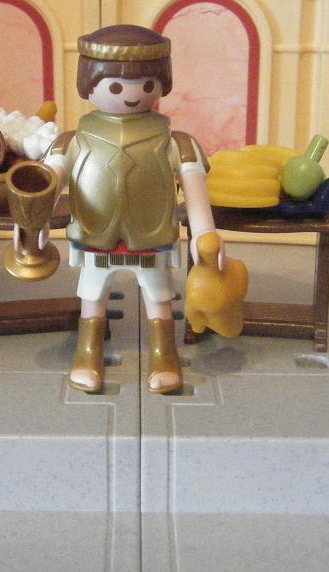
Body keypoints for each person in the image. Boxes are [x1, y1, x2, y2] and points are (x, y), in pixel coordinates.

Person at [40, 25, 221, 394]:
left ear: (162, 84)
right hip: (95, 235)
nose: (132, 94)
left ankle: (164, 354)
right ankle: (87, 352)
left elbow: (194, 191)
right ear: (88, 83)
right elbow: (46, 182)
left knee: (158, 296)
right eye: (116, 87)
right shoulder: (72, 140)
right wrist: (32, 216)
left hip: (151, 236)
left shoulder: (177, 142)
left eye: (147, 84)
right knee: (93, 295)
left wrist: (205, 235)